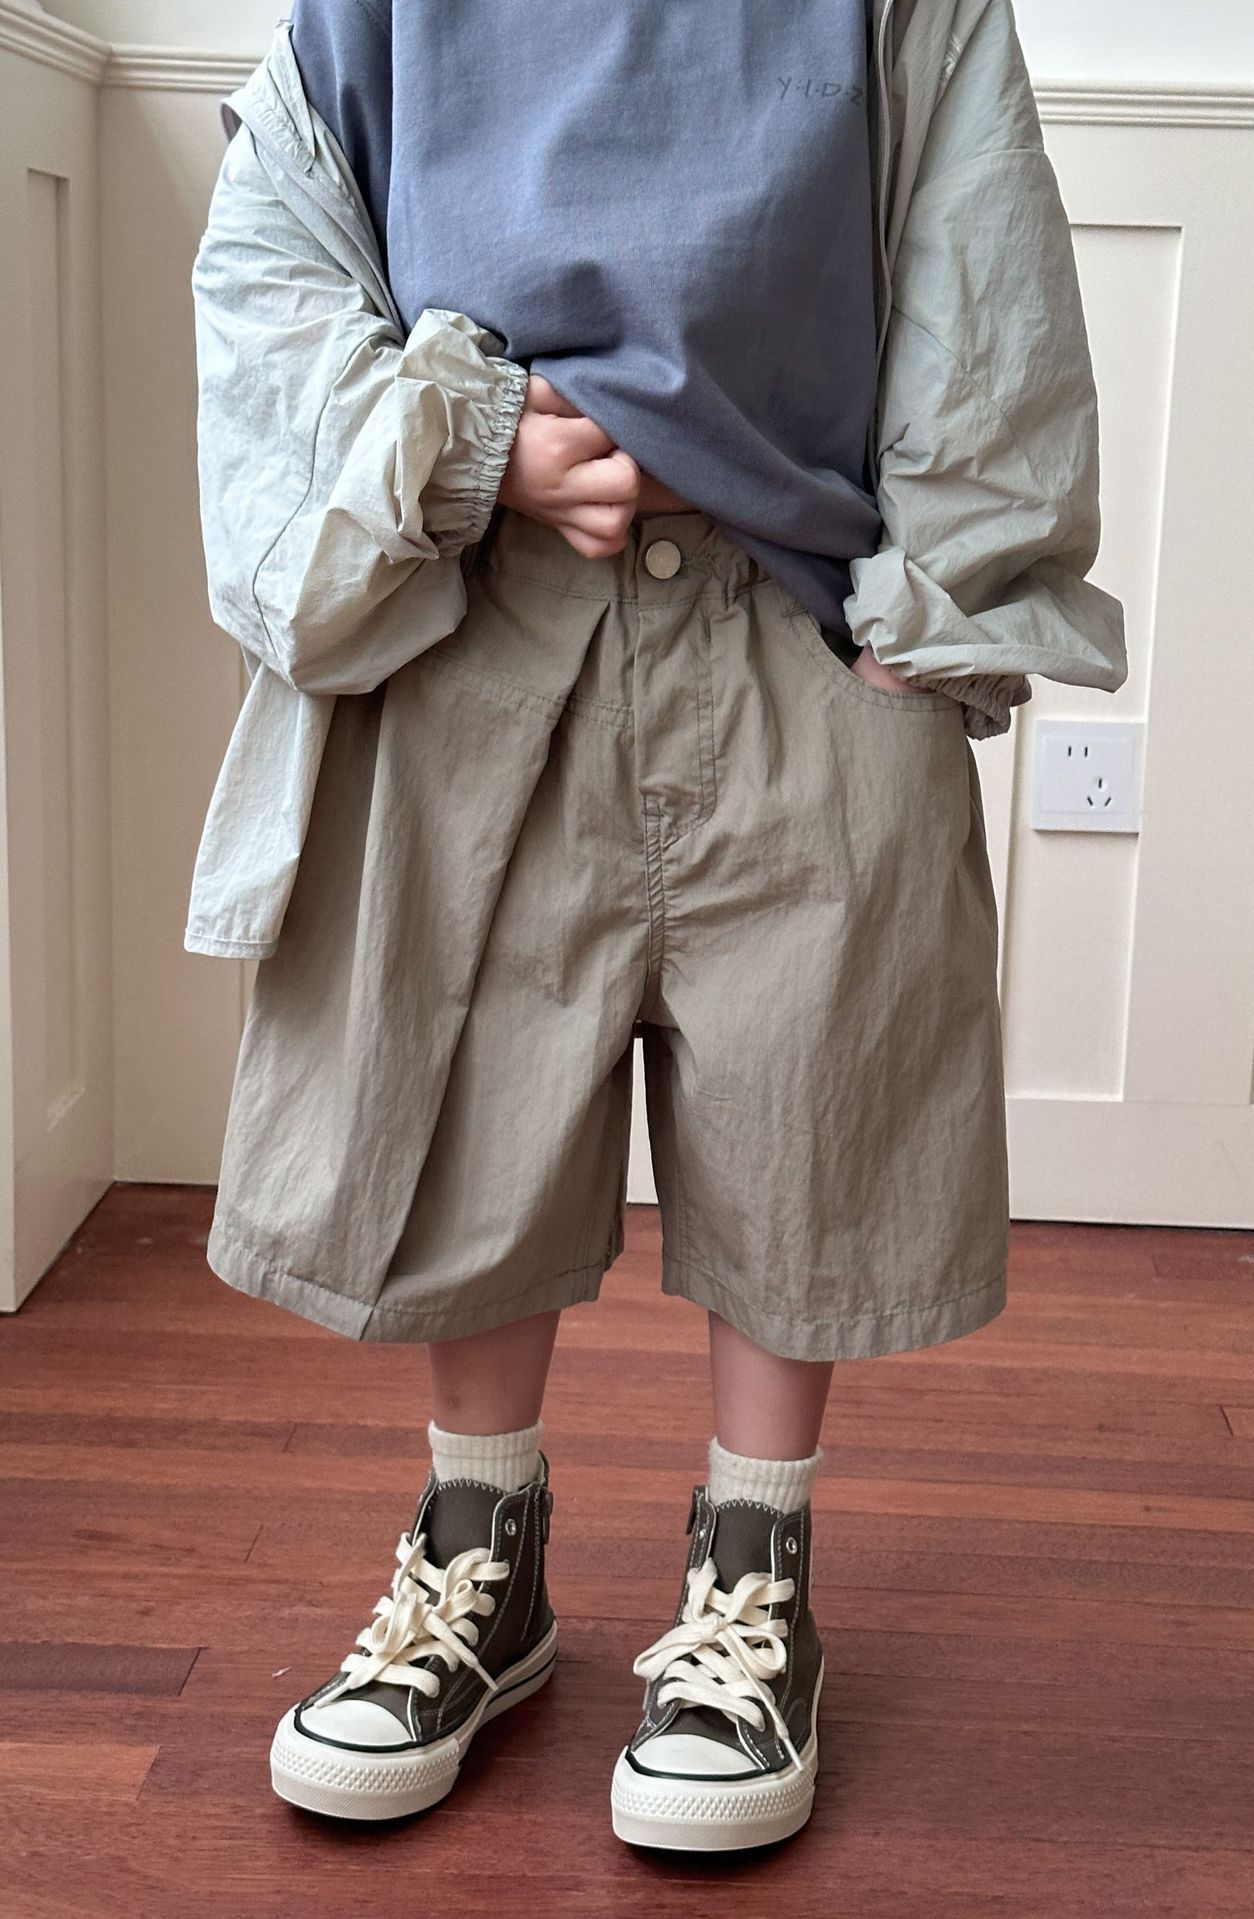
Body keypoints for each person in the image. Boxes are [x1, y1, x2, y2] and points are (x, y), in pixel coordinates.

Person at [186, 0, 1126, 1853]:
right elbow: (276, 267)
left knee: (806, 1108)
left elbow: (986, 260)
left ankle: (753, 1577)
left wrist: (929, 604)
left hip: (797, 617)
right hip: (474, 608)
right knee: (471, 1099)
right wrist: (467, 447)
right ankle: (481, 1557)